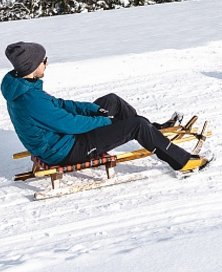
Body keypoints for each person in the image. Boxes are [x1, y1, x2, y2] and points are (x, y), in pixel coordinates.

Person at [2, 41, 210, 173]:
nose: (47, 63)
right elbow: (69, 124)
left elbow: (61, 105)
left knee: (112, 100)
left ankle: (152, 132)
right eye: (44, 60)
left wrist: (92, 110)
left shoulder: (24, 86)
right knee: (135, 125)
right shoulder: (30, 100)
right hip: (66, 150)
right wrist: (104, 121)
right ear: (32, 66)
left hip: (65, 139)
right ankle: (182, 162)